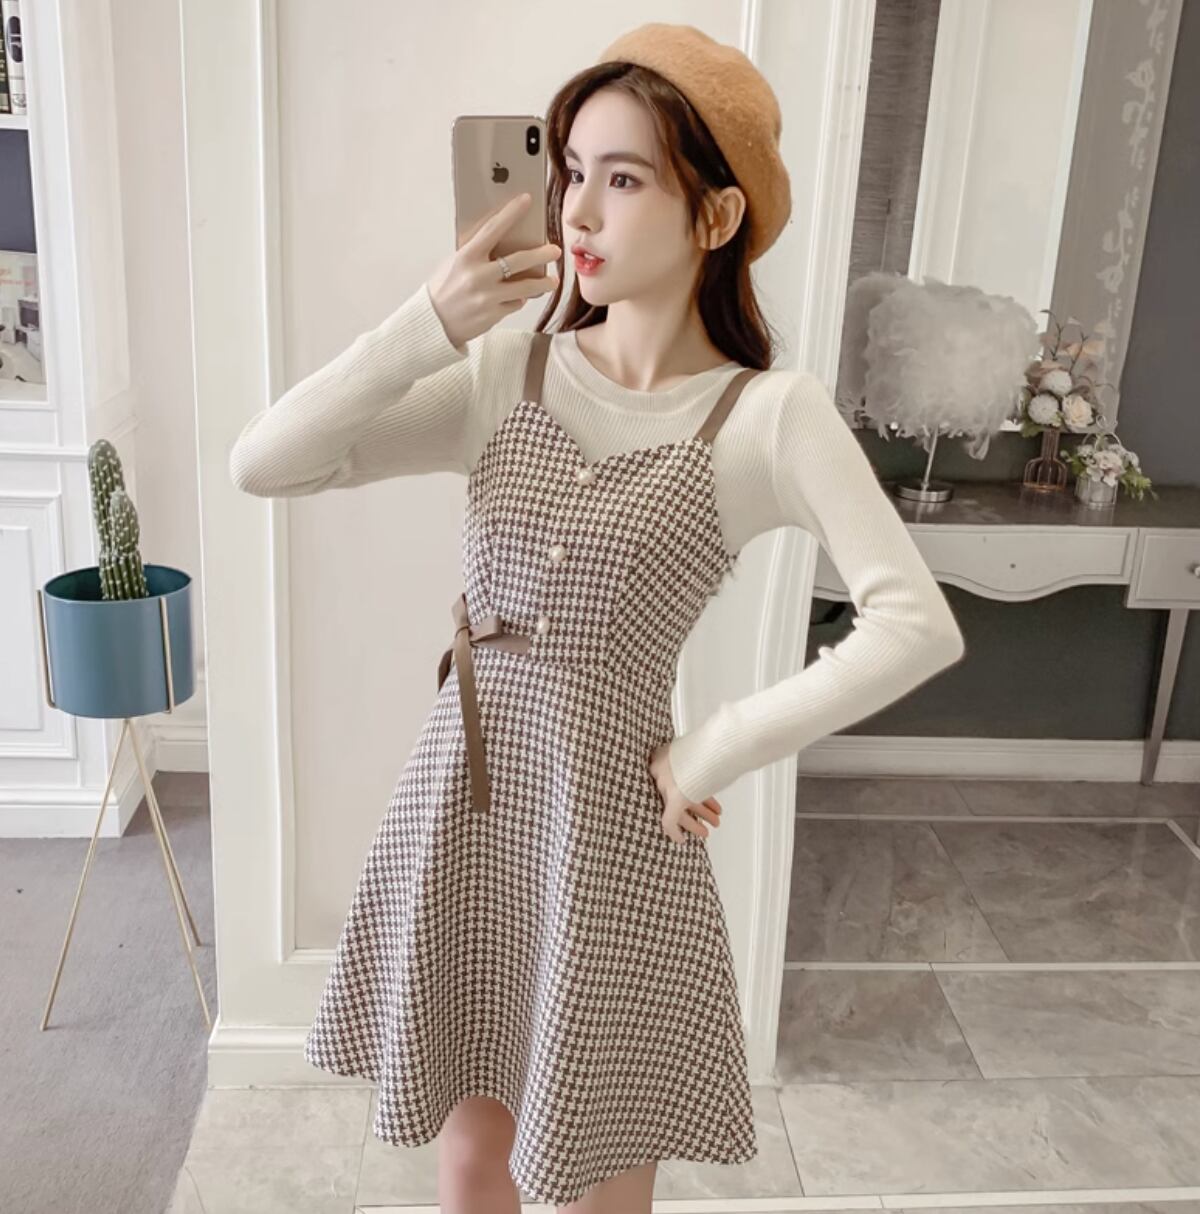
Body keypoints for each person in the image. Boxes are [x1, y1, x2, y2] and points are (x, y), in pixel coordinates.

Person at [228, 22, 965, 1214]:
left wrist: (717, 744)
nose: (575, 209)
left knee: (594, 1166)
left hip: (612, 836)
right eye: (571, 170)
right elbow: (266, 462)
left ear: (715, 216)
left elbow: (914, 622)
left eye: (622, 179)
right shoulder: (504, 375)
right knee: (472, 1155)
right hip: (467, 807)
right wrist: (430, 320)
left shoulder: (767, 417)